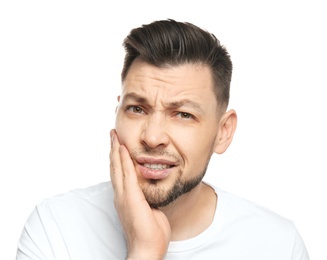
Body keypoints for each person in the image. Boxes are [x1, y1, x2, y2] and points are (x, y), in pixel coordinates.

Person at [16, 19, 309, 260]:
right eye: (136, 109)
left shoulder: (277, 245)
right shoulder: (55, 227)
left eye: (182, 114)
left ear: (223, 132)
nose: (153, 137)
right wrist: (145, 252)